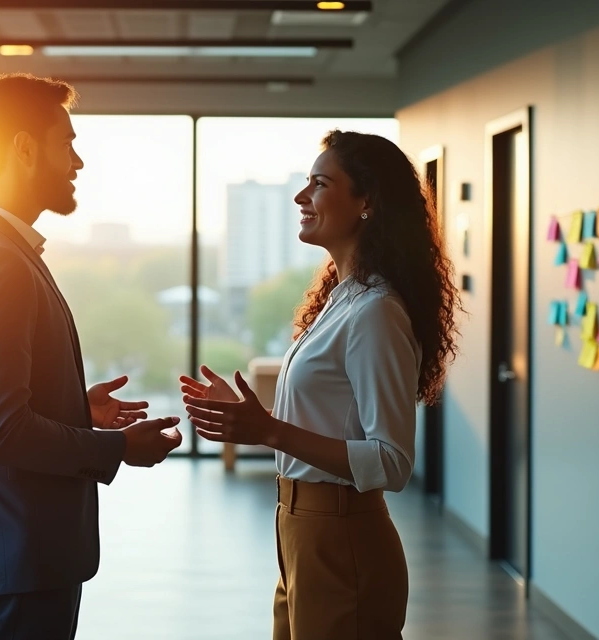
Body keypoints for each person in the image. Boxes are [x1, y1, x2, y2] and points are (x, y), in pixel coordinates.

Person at [0, 73, 183, 640]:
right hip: (18, 551)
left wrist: (74, 408)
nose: (77, 162)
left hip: (12, 551)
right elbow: (0, 432)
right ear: (24, 148)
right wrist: (120, 447)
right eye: (66, 143)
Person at [181, 130, 460, 640]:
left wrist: (268, 431)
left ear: (367, 202)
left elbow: (392, 462)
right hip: (297, 531)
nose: (300, 196)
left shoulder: (376, 311)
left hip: (341, 539)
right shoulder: (342, 299)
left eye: (319, 184)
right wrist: (255, 419)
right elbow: (327, 419)